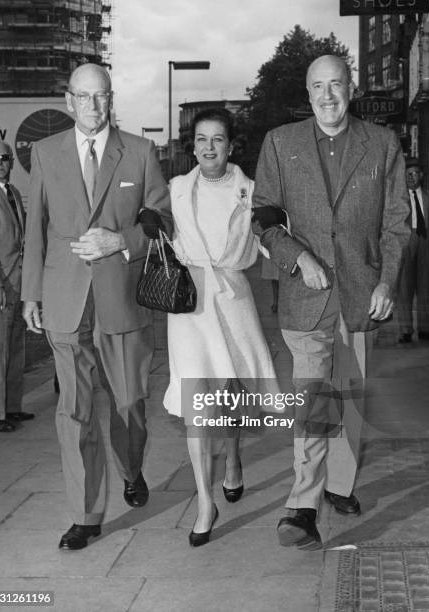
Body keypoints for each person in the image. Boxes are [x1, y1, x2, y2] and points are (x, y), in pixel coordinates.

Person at [252, 55, 410, 548]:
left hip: (362, 294)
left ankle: (340, 484)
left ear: (351, 87)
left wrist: (386, 282)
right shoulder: (281, 143)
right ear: (308, 91)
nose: (327, 95)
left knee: (351, 396)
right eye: (318, 86)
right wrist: (298, 259)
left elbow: (396, 223)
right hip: (308, 296)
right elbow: (263, 217)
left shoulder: (382, 143)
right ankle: (302, 505)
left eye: (336, 84)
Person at [21, 63, 172, 550]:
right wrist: (31, 293)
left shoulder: (141, 152)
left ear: (112, 98)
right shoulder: (45, 153)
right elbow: (36, 229)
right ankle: (86, 514)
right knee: (75, 412)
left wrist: (120, 241)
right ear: (68, 101)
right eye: (82, 97)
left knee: (130, 406)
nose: (92, 106)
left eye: (100, 96)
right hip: (66, 299)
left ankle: (131, 468)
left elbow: (163, 222)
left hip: (122, 299)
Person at [163, 108, 281, 547]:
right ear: (191, 145)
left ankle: (232, 461)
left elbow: (271, 243)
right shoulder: (176, 189)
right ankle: (204, 501)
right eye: (200, 139)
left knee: (230, 394)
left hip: (233, 300)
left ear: (231, 146)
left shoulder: (251, 190)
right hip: (190, 307)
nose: (208, 147)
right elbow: (157, 236)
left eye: (217, 139)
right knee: (198, 402)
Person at [0, 140, 32, 433]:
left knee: (16, 347)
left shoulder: (12, 192)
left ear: (12, 161)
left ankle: (11, 406)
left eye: (5, 157)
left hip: (18, 282)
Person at [397, 157, 429, 343]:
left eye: (415, 174)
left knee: (425, 288)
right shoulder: (398, 198)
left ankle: (426, 329)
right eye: (408, 174)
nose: (411, 177)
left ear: (421, 175)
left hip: (426, 243)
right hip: (405, 244)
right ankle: (405, 330)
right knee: (405, 289)